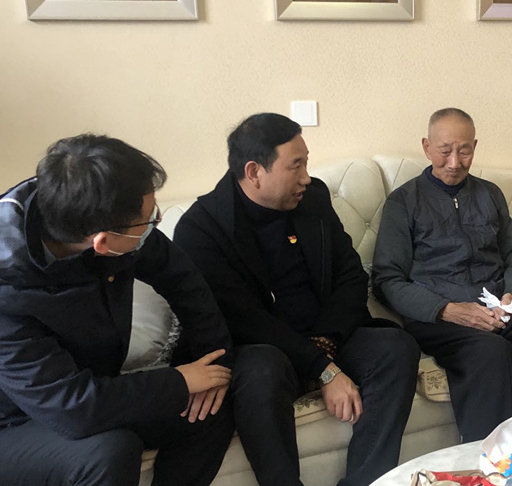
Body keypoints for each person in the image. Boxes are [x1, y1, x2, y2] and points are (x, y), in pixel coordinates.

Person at [173, 113, 420, 486]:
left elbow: (351, 275)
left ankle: (368, 482)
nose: (306, 177)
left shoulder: (313, 198)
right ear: (254, 172)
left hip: (327, 336)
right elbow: (243, 319)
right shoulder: (202, 228)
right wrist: (323, 368)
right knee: (262, 370)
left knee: (395, 347)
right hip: (265, 348)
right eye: (296, 166)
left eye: (306, 163)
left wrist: (326, 346)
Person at [0, 134, 235, 486]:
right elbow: (72, 408)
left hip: (88, 393)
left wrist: (212, 361)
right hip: (15, 421)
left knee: (210, 408)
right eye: (149, 219)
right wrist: (177, 381)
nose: (155, 220)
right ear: (103, 242)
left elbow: (183, 280)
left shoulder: (96, 210)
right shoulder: (8, 291)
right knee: (108, 451)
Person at [372, 108, 512, 442]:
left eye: (464, 151)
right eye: (445, 151)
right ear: (427, 147)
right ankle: (493, 462)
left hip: (500, 307)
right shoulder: (403, 201)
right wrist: (449, 310)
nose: (454, 162)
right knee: (491, 352)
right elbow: (387, 280)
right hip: (441, 316)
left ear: (474, 147)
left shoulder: (489, 194)